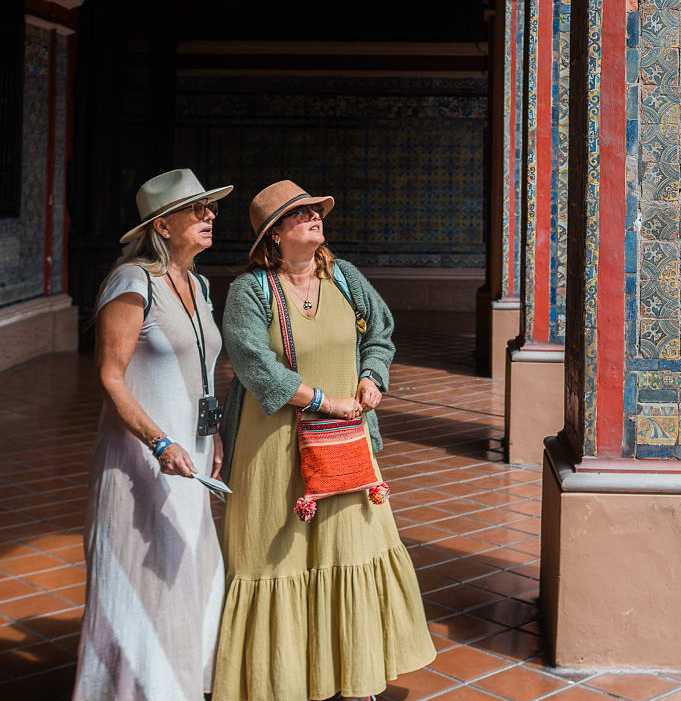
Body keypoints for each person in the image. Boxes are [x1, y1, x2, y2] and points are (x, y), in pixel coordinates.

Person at [213, 180, 435, 700]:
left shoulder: (345, 277)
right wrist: (318, 399)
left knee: (350, 547)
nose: (315, 218)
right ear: (274, 236)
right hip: (272, 446)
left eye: (315, 211)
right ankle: (279, 682)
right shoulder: (252, 290)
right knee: (277, 555)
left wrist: (372, 377)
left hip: (343, 441)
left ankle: (355, 679)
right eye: (300, 214)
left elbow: (380, 332)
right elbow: (252, 363)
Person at [72, 169, 233, 701]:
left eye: (210, 208)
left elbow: (204, 372)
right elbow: (110, 377)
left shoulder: (199, 283)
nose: (210, 217)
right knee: (145, 578)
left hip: (194, 455)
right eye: (198, 210)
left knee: (187, 576)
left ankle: (181, 686)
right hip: (144, 460)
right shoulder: (131, 281)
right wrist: (159, 442)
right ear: (163, 225)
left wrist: (216, 439)